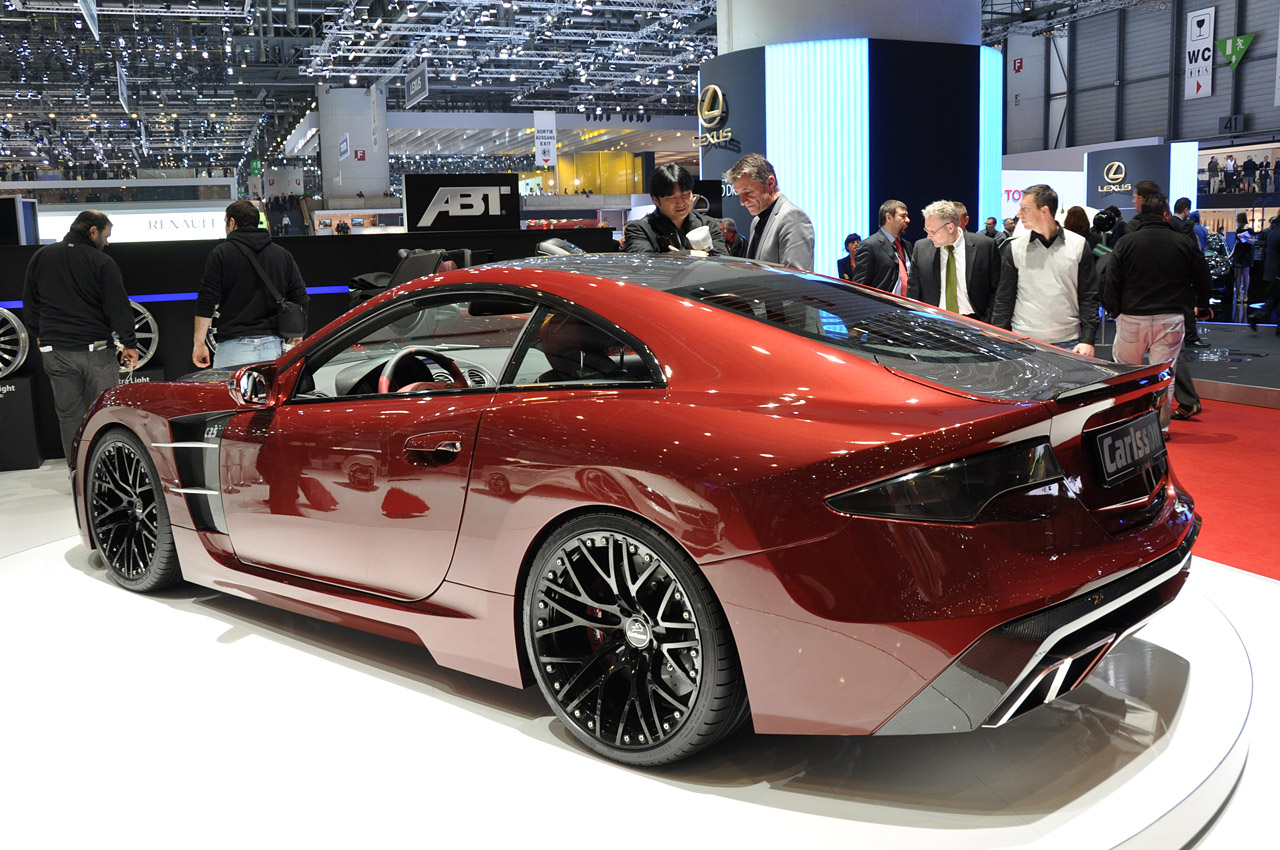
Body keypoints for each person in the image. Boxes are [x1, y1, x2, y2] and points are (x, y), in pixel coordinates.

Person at [22, 210, 140, 462]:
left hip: (55, 351)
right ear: (92, 231)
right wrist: (129, 342)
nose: (107, 242)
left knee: (69, 416)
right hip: (95, 351)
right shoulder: (101, 261)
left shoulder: (41, 256)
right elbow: (117, 306)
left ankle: (76, 472)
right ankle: (105, 469)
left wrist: (38, 333)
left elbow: (30, 302)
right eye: (106, 236)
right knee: (105, 413)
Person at [1105, 193, 1212, 434]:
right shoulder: (1183, 242)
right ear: (1166, 214)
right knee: (1163, 375)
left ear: (1143, 215)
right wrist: (1203, 303)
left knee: (1126, 374)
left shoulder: (1126, 242)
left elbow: (1112, 280)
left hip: (1132, 316)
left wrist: (1115, 310)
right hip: (1169, 317)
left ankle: (1126, 423)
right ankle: (1160, 428)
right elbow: (1202, 276)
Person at [193, 200, 310, 369]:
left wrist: (199, 342)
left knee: (229, 387)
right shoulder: (282, 254)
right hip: (273, 349)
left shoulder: (221, 254)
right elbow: (300, 297)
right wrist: (297, 335)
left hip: (233, 349)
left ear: (232, 222)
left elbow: (207, 300)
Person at [991, 184, 1099, 356]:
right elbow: (1005, 297)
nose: (1019, 214)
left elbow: (1089, 296)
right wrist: (999, 335)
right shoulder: (1016, 247)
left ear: (1044, 211)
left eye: (1025, 208)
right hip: (1022, 341)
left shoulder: (1078, 245)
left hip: (1069, 341)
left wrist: (1088, 339)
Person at [906, 200, 999, 321]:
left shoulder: (985, 246)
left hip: (975, 321)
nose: (929, 236)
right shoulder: (921, 248)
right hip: (934, 321)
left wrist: (988, 320)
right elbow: (913, 291)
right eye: (927, 230)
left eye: (933, 231)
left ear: (950, 227)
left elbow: (997, 289)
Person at [723, 153, 814, 270]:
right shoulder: (756, 221)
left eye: (748, 192)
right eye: (739, 194)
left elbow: (797, 277)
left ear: (770, 183)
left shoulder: (793, 218)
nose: (742, 201)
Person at [625, 163, 727, 255]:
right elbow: (643, 263)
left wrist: (672, 255)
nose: (681, 203)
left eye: (686, 195)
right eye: (672, 198)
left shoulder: (708, 224)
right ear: (656, 200)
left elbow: (722, 261)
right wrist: (688, 255)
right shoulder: (639, 229)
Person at [851, 199, 911, 294]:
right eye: (903, 216)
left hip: (907, 303)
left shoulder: (907, 245)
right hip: (881, 303)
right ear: (888, 217)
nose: (908, 220)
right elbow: (859, 288)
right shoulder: (869, 246)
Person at [1250, 214, 1280, 334]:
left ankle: (1257, 316)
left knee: (1274, 297)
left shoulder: (1272, 233)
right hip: (1277, 270)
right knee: (1275, 297)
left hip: (1272, 270)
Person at [1231, 211, 1255, 322]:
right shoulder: (1238, 229)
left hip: (1247, 253)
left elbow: (1252, 241)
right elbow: (1236, 243)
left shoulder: (1249, 228)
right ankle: (1238, 295)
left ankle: (1245, 294)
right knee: (1238, 274)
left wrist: (1244, 237)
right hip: (1239, 252)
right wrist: (1231, 255)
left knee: (1245, 274)